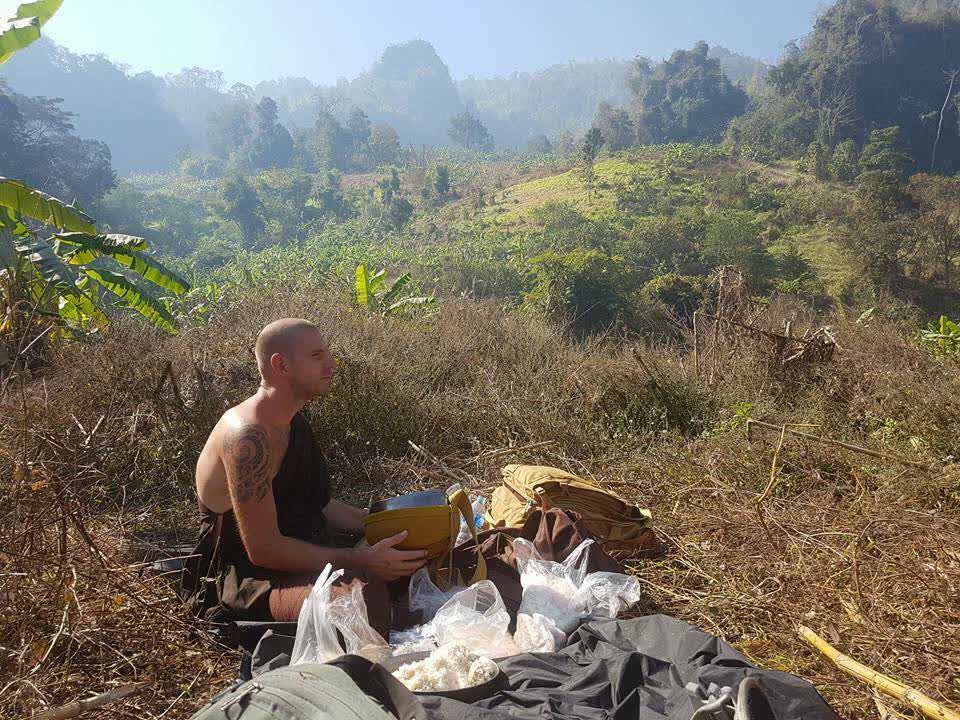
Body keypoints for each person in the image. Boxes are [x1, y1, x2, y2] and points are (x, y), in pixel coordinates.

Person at [183, 318, 427, 628]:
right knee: (357, 600)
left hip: (306, 545)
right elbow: (264, 551)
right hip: (251, 578)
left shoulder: (292, 420)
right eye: (317, 356)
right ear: (281, 365)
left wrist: (383, 525)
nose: (332, 364)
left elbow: (319, 505)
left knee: (420, 555)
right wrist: (361, 560)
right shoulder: (246, 438)